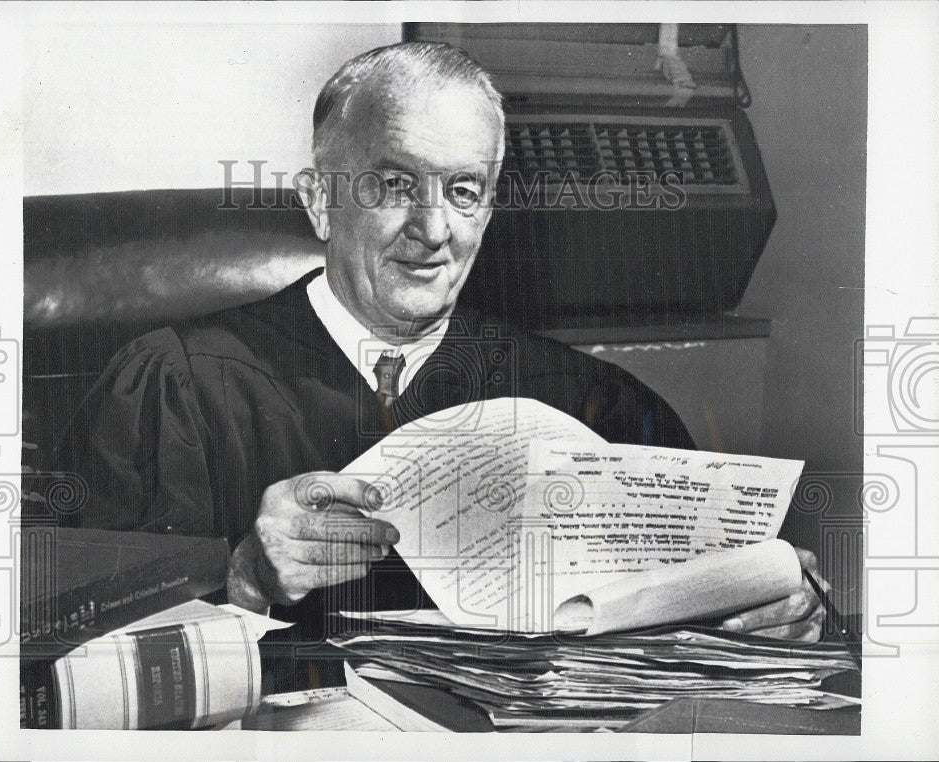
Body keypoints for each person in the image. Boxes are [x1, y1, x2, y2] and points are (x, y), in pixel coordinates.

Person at [59, 42, 825, 688]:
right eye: (395, 184)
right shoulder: (174, 387)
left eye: (464, 191)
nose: (433, 230)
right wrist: (246, 580)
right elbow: (79, 677)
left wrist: (784, 611)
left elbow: (712, 618)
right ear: (322, 201)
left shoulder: (594, 402)